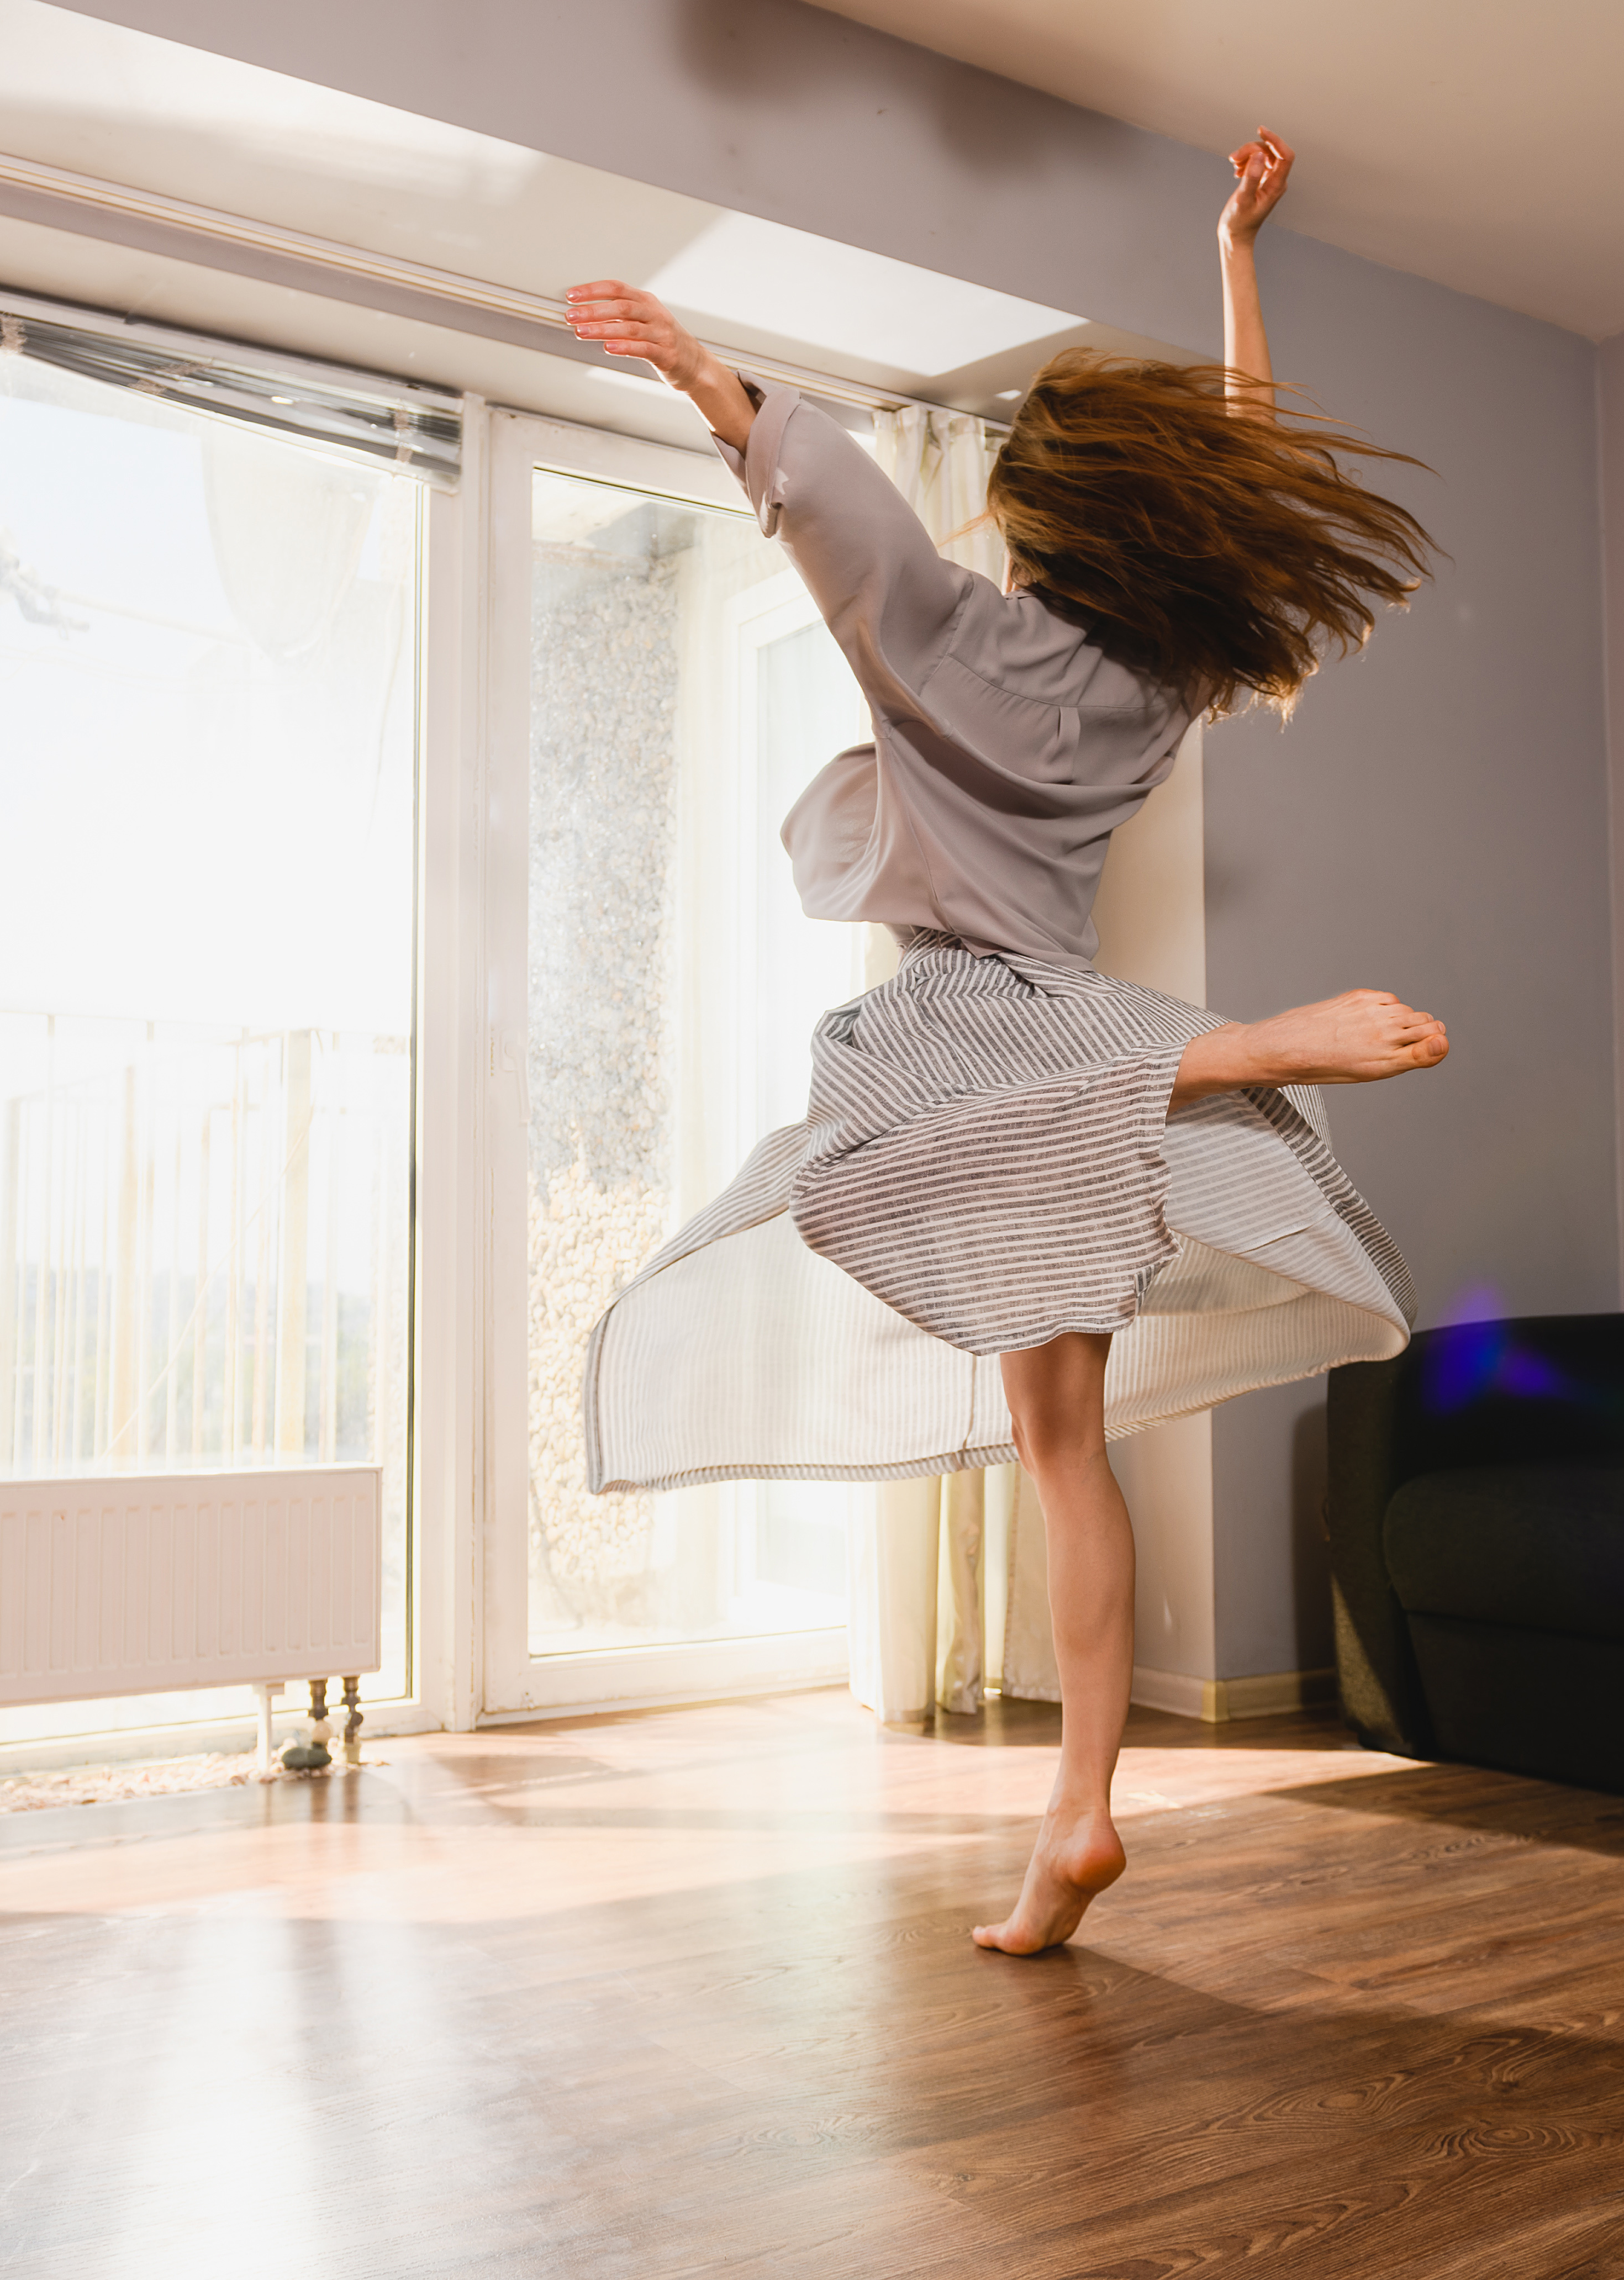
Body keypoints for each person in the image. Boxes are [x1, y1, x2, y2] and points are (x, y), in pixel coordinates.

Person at [563, 130, 1448, 1955]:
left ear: (1043, 524)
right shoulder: (1164, 678)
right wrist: (1234, 259)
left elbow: (840, 521)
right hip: (1072, 1027)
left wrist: (708, 377)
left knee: (870, 1175)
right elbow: (1249, 466)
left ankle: (1224, 1058)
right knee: (1067, 1452)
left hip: (976, 1031)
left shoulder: (952, 639)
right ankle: (1078, 1821)